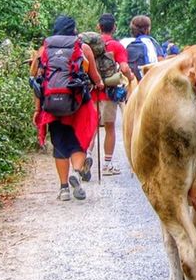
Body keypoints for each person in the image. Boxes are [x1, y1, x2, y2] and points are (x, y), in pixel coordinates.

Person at [31, 15, 104, 201]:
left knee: (59, 144)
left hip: (52, 105)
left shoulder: (44, 49)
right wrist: (99, 84)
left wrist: (37, 110)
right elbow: (95, 77)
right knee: (78, 140)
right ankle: (78, 171)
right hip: (77, 104)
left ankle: (64, 188)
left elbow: (37, 82)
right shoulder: (82, 47)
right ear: (73, 29)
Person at [92, 14, 134, 175]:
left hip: (91, 92)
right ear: (114, 27)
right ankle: (107, 165)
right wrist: (131, 79)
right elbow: (124, 68)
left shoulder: (88, 46)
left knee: (91, 127)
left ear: (98, 27)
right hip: (109, 93)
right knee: (110, 128)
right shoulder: (116, 46)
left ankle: (86, 157)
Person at [126, 15, 165, 80]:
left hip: (132, 81)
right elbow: (161, 62)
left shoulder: (126, 43)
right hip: (149, 81)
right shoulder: (151, 42)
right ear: (147, 29)